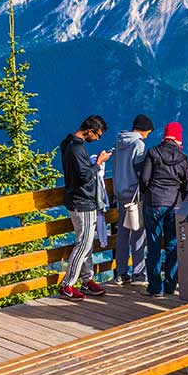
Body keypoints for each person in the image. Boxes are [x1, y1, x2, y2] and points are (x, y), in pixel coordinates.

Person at [58, 115, 111, 300]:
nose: (97, 139)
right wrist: (99, 163)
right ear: (89, 130)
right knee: (84, 244)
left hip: (74, 200)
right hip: (83, 202)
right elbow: (84, 176)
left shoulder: (68, 144)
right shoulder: (77, 148)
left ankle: (87, 280)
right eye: (97, 135)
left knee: (86, 242)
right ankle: (67, 284)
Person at [140, 121, 188, 296]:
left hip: (154, 203)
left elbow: (144, 180)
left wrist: (148, 194)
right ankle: (171, 285)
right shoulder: (184, 158)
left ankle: (155, 287)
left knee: (154, 245)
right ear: (179, 138)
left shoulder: (153, 153)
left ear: (165, 135)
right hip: (175, 205)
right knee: (173, 244)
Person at [110, 115, 154, 285]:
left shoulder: (119, 141)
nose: (148, 136)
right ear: (144, 129)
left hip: (120, 193)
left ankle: (121, 272)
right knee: (138, 233)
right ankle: (138, 273)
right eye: (148, 132)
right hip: (135, 195)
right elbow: (141, 172)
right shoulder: (138, 144)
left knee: (122, 233)